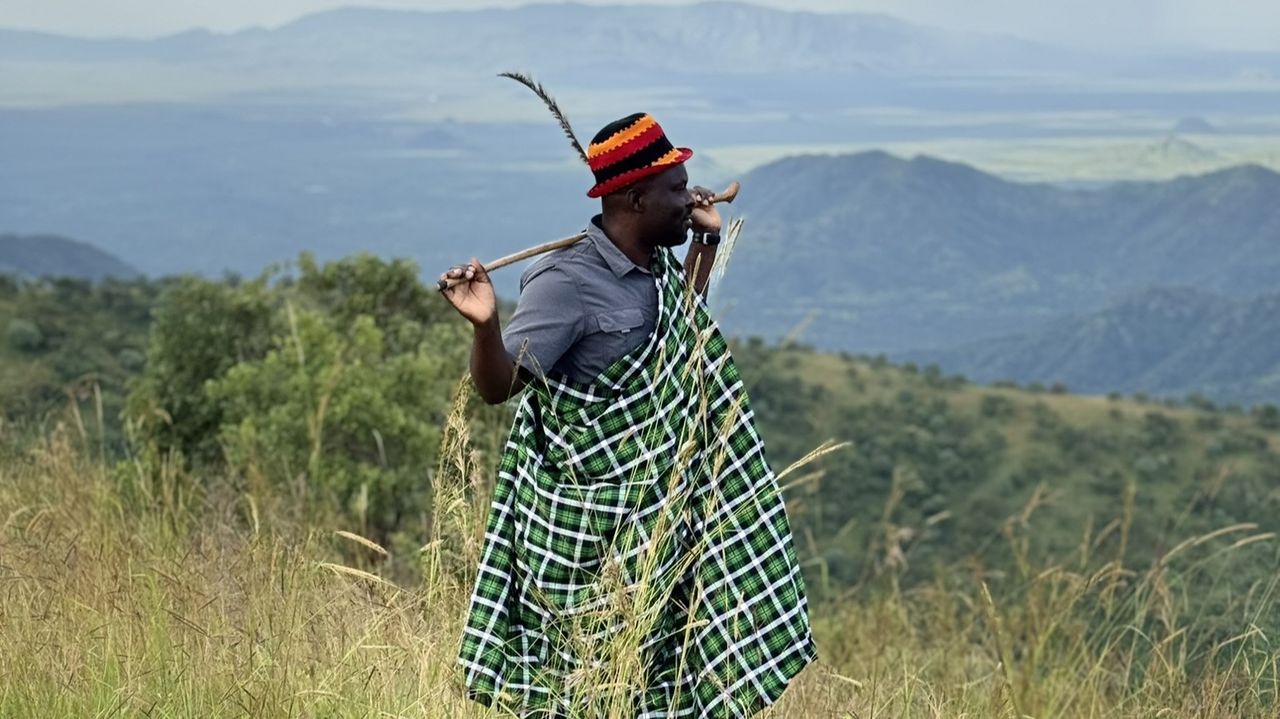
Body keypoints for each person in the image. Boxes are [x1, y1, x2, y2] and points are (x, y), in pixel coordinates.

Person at [441, 112, 815, 718]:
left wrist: (707, 241)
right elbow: (497, 387)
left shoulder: (653, 262)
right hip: (587, 537)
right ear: (636, 197)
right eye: (675, 190)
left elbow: (676, 334)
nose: (689, 197)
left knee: (649, 684)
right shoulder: (564, 283)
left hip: (657, 532)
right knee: (579, 688)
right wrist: (485, 325)